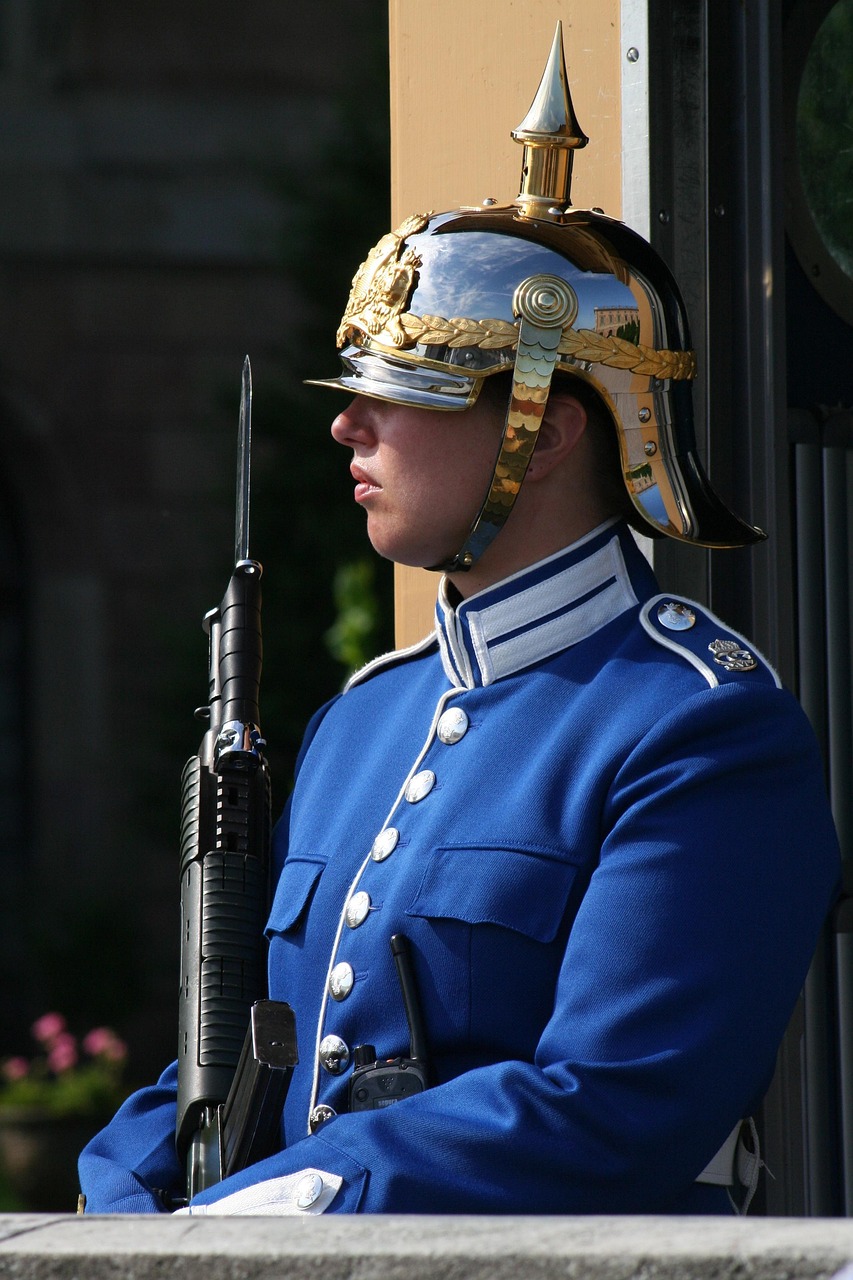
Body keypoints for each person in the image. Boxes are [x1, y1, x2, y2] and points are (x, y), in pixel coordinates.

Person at [79, 26, 839, 1216]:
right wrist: (125, 1208)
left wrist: (303, 1199)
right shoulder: (361, 720)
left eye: (407, 393)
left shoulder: (698, 730)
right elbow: (225, 1070)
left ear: (548, 429)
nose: (348, 429)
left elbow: (614, 1100)